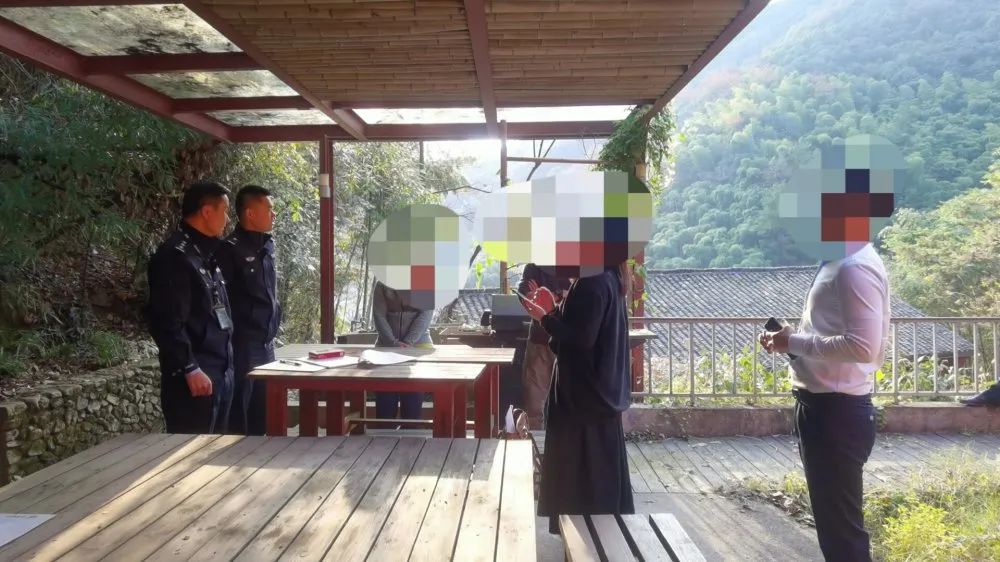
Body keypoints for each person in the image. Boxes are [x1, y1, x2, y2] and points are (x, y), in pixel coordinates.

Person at [760, 243, 890, 562]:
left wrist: (792, 341)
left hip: (837, 413)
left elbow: (863, 348)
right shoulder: (837, 261)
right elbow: (829, 332)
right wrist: (789, 343)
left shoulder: (853, 266)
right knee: (835, 533)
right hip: (822, 407)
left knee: (843, 539)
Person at [524, 263, 634, 534]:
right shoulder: (606, 277)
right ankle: (595, 539)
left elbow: (580, 339)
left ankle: (588, 541)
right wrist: (553, 311)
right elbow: (580, 331)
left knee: (582, 482)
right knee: (597, 479)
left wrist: (545, 317)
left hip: (583, 400)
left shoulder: (592, 282)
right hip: (597, 396)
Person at [146, 181, 234, 434]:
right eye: (225, 211)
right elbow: (167, 321)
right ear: (207, 211)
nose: (228, 219)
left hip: (220, 369)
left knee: (218, 451)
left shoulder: (207, 252)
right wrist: (189, 367)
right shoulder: (175, 257)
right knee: (192, 453)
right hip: (195, 376)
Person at [217, 185, 281, 436]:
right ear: (251, 214)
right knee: (241, 413)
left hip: (267, 343)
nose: (274, 214)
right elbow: (221, 301)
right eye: (269, 209)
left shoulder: (267, 246)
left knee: (265, 412)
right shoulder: (230, 249)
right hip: (243, 344)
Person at [371, 280, 434, 422]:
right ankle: (384, 432)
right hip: (386, 345)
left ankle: (411, 431)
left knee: (413, 397)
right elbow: (379, 315)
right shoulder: (382, 285)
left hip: (419, 344)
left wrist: (408, 342)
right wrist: (393, 343)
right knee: (385, 399)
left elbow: (425, 315)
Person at [517, 263, 570, 429]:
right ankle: (534, 440)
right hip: (539, 341)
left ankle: (565, 441)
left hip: (568, 342)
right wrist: (532, 297)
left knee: (569, 401)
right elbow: (525, 292)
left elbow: (578, 294)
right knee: (533, 401)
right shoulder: (534, 267)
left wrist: (553, 297)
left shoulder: (574, 264)